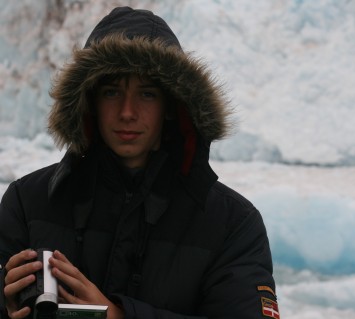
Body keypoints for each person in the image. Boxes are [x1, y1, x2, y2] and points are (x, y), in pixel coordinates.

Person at [0, 6, 279, 319]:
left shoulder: (233, 224)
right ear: (89, 100)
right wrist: (7, 307)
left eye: (147, 94)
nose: (127, 112)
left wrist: (119, 316)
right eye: (111, 92)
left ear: (172, 106)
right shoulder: (26, 204)